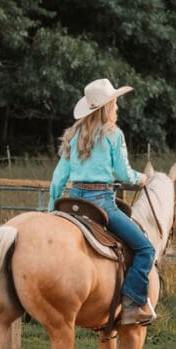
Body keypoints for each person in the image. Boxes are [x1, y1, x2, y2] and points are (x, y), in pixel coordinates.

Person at [48, 78, 156, 326]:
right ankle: (130, 305)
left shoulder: (72, 135)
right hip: (101, 202)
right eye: (115, 102)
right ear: (108, 107)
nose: (116, 107)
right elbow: (124, 173)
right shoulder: (113, 134)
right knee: (145, 249)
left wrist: (51, 208)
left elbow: (58, 179)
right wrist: (142, 179)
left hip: (72, 201)